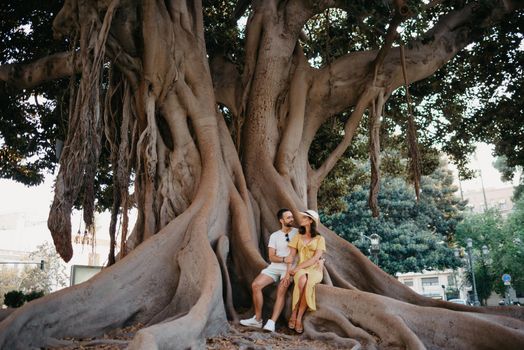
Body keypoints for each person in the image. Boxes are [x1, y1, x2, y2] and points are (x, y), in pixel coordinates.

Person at [240, 208, 298, 331]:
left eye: (292, 217)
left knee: (281, 289)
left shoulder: (298, 233)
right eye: (288, 217)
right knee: (256, 285)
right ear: (281, 220)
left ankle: (272, 322)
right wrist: (283, 259)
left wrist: (289, 271)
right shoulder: (274, 236)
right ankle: (257, 320)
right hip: (275, 266)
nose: (292, 219)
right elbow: (272, 257)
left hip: (290, 268)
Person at [287, 209, 326, 334]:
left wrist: (297, 268)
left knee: (309, 283)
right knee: (302, 280)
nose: (301, 220)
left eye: (304, 218)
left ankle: (298, 317)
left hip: (315, 269)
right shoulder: (297, 236)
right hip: (301, 269)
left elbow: (315, 258)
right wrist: (288, 272)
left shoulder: (320, 239)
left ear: (310, 221)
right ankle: (294, 312)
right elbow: (291, 256)